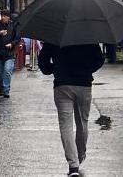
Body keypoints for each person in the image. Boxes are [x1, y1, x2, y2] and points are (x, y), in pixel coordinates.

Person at [39, 42, 105, 177]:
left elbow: (43, 63)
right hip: (84, 84)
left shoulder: (55, 36)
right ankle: (79, 156)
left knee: (66, 126)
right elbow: (99, 59)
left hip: (62, 85)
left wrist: (55, 68)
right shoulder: (88, 36)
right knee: (82, 123)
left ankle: (73, 165)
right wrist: (86, 69)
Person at [0, 9, 19, 98]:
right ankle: (2, 87)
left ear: (8, 17)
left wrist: (12, 44)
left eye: (5, 16)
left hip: (9, 53)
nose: (3, 17)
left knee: (7, 71)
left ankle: (6, 90)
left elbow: (17, 38)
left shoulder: (13, 25)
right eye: (2, 16)